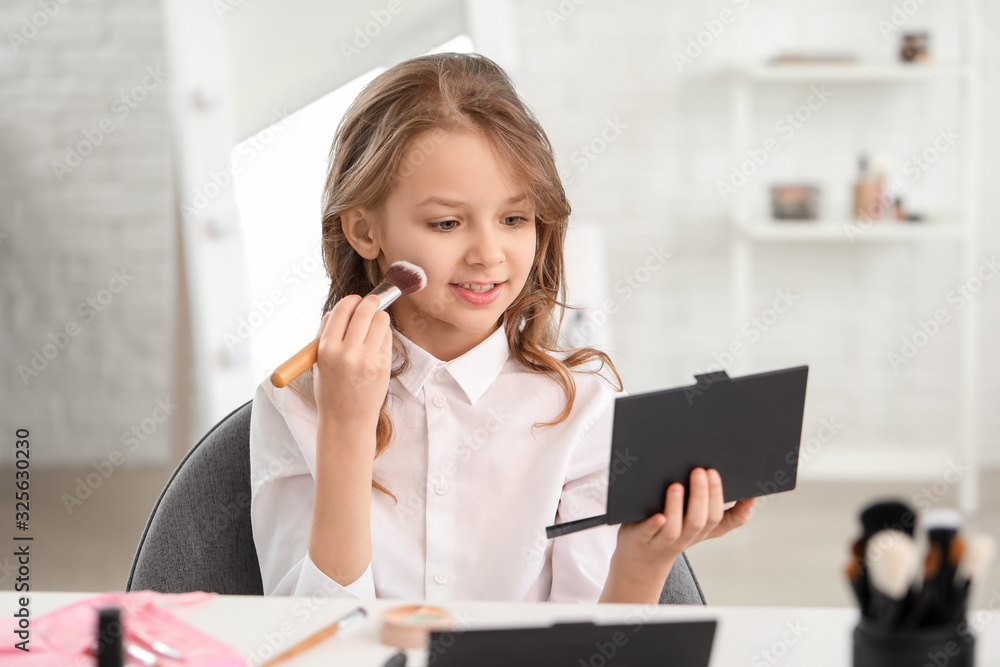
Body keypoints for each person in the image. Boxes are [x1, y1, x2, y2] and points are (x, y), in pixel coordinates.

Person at [249, 51, 754, 603]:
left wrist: (647, 557)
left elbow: (592, 651)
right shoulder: (295, 403)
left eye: (514, 219)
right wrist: (345, 428)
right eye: (446, 223)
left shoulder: (582, 407)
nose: (489, 254)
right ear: (365, 231)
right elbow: (311, 646)